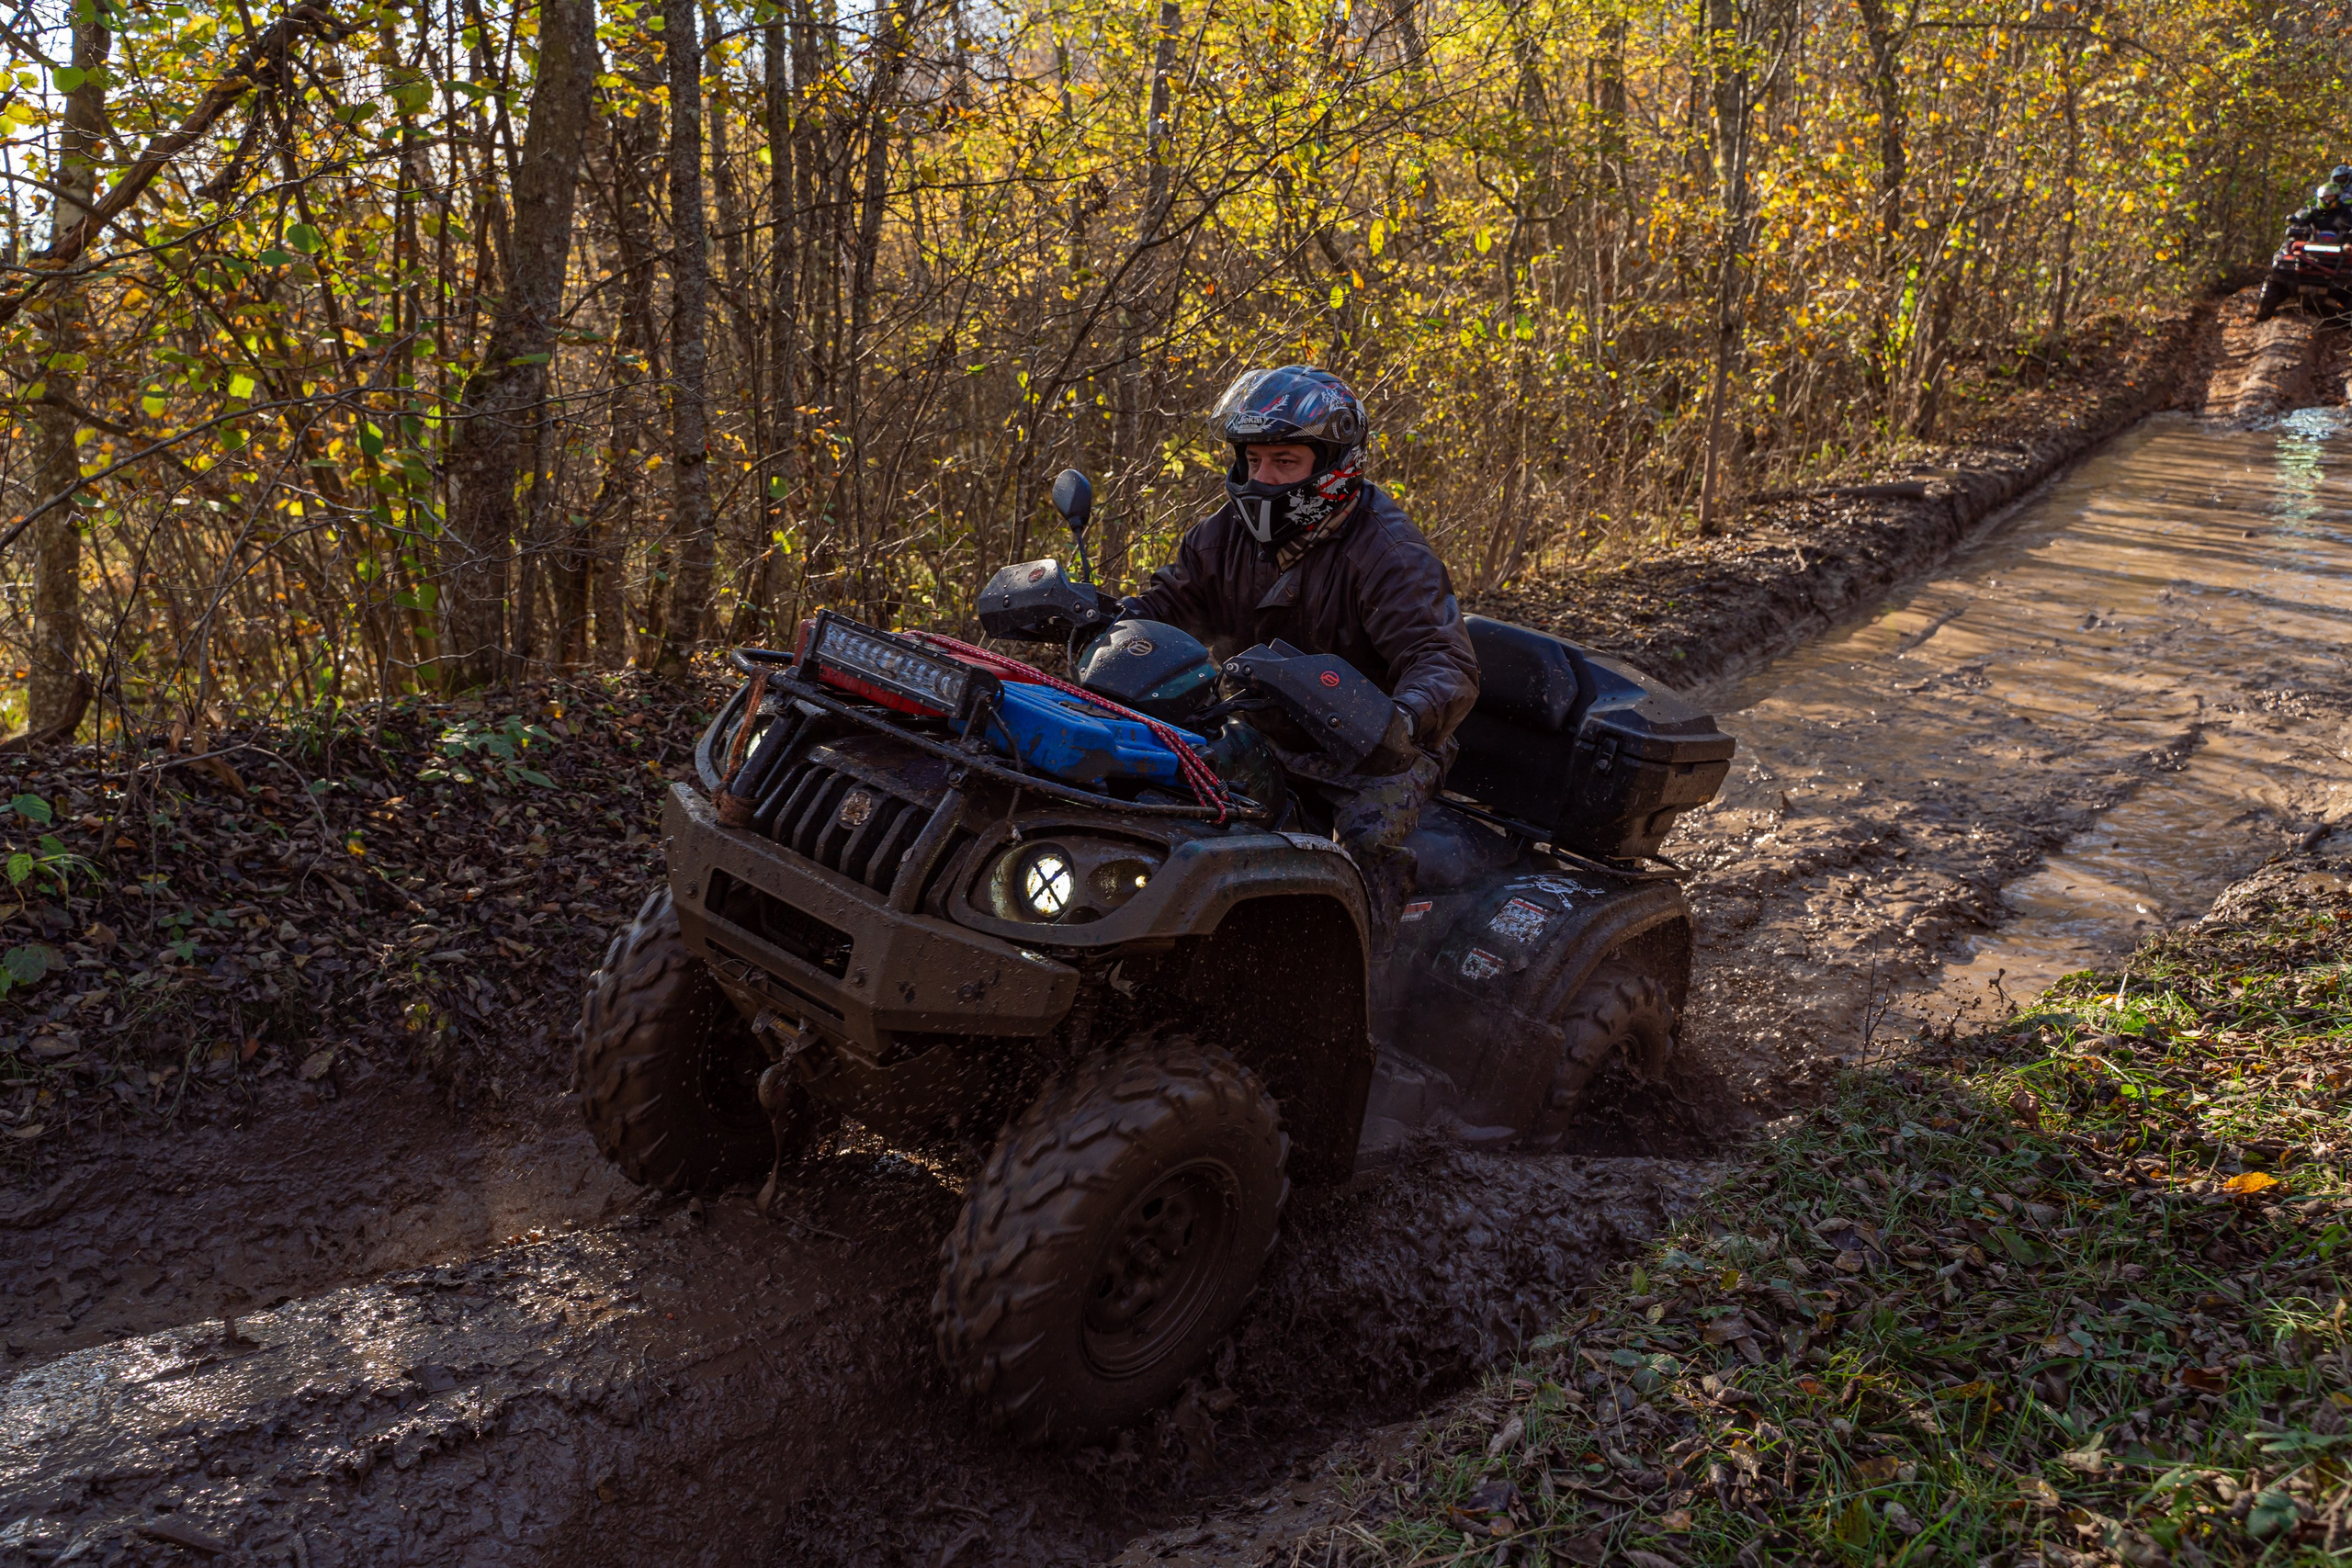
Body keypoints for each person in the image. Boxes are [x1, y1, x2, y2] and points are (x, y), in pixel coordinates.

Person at [1115, 365, 1480, 950]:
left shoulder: (1388, 552)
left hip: (1377, 749)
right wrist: (1104, 621)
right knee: (1160, 792)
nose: (1263, 478)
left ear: (1333, 464)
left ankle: (1367, 973)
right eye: (1253, 460)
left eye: (1284, 461)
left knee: (1362, 844)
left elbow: (1443, 659)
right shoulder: (1222, 536)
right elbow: (1166, 606)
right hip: (1260, 726)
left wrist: (1404, 719)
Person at [2288, 181, 2352, 236]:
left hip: (2343, 244)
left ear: (2337, 197)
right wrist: (2299, 227)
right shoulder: (2312, 211)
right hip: (2315, 243)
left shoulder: (2347, 209)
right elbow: (2299, 224)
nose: (2327, 200)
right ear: (2320, 198)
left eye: (2330, 196)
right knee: (2292, 243)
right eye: (2326, 197)